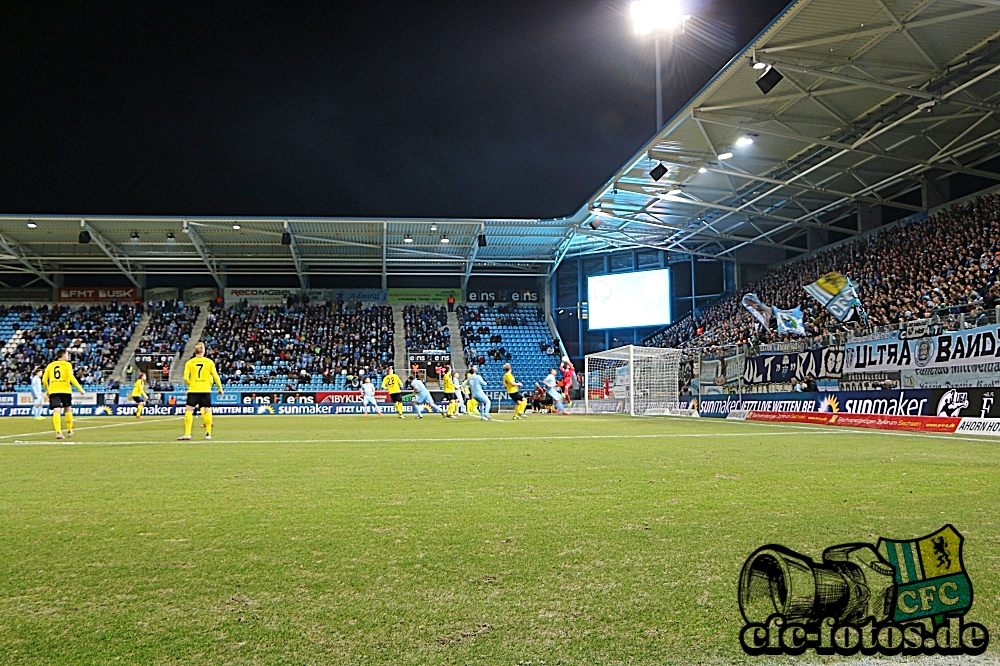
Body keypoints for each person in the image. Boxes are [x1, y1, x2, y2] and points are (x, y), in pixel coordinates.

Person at [178, 342, 224, 441]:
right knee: (207, 411)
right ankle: (208, 434)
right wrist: (220, 388)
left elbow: (186, 378)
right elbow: (215, 376)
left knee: (189, 411)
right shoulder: (209, 362)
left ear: (195, 351)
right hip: (205, 389)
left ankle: (187, 434)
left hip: (194, 390)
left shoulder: (189, 363)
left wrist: (191, 385)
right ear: (203, 350)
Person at [42, 349, 84, 439]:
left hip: (54, 391)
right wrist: (80, 388)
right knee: (67, 410)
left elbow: (44, 380)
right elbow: (71, 377)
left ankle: (58, 432)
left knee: (56, 411)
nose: (68, 356)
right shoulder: (67, 365)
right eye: (67, 355)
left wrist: (47, 391)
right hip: (65, 390)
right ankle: (69, 430)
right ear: (64, 355)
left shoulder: (50, 365)